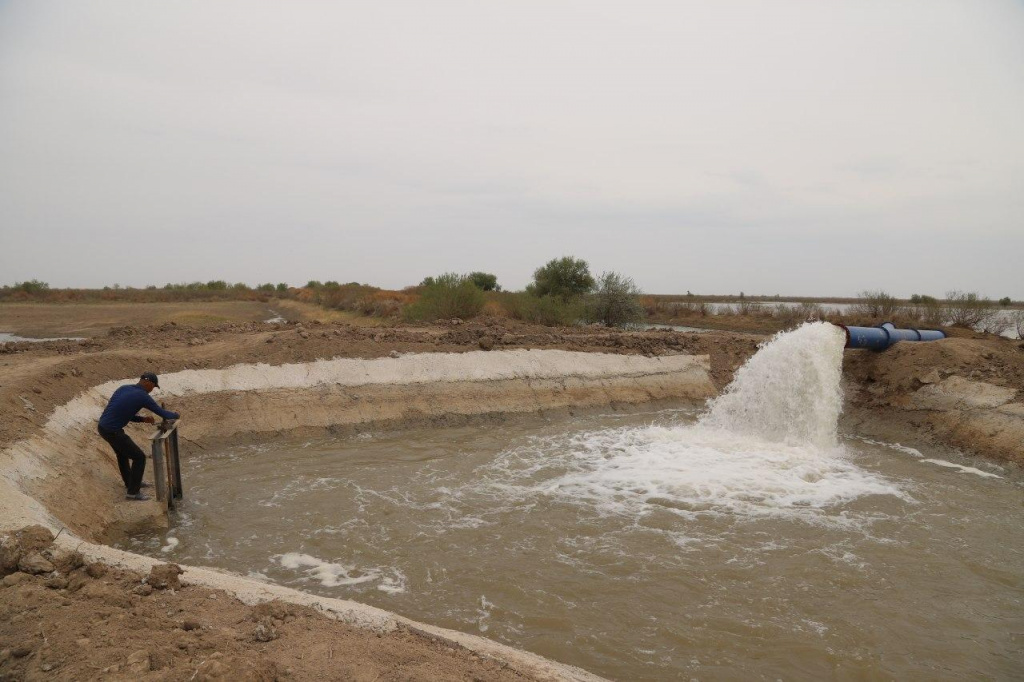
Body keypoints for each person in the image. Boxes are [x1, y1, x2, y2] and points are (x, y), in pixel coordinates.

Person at [97, 372, 180, 501]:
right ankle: (133, 493)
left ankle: (130, 483)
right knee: (139, 457)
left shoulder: (123, 388)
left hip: (103, 427)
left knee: (122, 454)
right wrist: (176, 415)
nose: (152, 390)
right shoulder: (143, 396)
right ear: (148, 383)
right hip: (113, 430)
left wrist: (142, 419)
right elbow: (162, 412)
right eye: (153, 387)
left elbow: (122, 412)